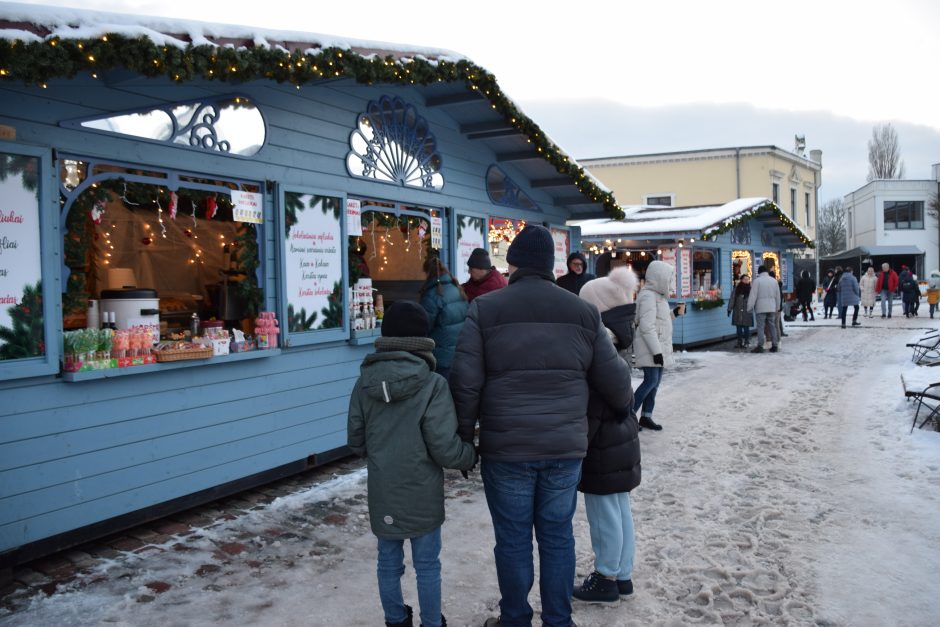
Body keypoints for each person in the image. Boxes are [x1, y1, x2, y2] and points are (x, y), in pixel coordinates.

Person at [449, 224, 632, 627]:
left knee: (513, 540)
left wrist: (463, 439)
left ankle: (515, 618)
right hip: (565, 448)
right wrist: (619, 409)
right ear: (551, 265)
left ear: (512, 263)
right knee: (557, 536)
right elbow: (617, 383)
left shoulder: (486, 308)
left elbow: (465, 382)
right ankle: (558, 620)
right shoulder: (582, 311)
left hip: (506, 447)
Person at [347, 300, 478, 627]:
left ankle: (395, 619)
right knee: (427, 565)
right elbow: (444, 447)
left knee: (388, 562)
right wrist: (470, 455)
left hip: (384, 488)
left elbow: (355, 439)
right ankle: (432, 622)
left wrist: (381, 454)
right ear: (423, 338)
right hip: (422, 491)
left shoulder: (364, 382)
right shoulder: (433, 384)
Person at [574, 266, 641, 605]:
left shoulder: (601, 343)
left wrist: (580, 441)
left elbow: (597, 401)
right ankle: (623, 575)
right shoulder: (619, 334)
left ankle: (606, 577)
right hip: (621, 435)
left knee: (603, 514)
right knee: (619, 508)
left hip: (603, 439)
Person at [633, 259, 683, 430]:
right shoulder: (647, 295)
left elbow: (661, 320)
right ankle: (629, 416)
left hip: (658, 347)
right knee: (650, 381)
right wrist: (656, 352)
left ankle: (646, 416)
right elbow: (647, 326)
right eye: (668, 279)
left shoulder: (659, 296)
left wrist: (674, 314)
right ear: (659, 277)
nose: (670, 282)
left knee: (655, 383)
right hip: (650, 347)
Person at [419, 256, 468, 381]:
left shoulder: (432, 295)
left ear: (428, 273)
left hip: (440, 356)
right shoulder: (457, 289)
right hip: (459, 354)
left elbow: (423, 326)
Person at [747, 265, 781, 353]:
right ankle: (775, 345)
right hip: (772, 307)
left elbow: (753, 295)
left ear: (759, 272)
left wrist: (749, 307)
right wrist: (777, 307)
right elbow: (778, 296)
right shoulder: (774, 281)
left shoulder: (757, 281)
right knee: (772, 326)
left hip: (760, 307)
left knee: (761, 327)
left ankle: (760, 346)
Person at [727, 274, 754, 348]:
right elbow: (732, 299)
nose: (747, 281)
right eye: (745, 279)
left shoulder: (751, 289)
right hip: (737, 311)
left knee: (746, 328)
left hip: (747, 311)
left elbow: (754, 300)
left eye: (748, 279)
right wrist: (729, 309)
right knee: (738, 328)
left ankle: (746, 342)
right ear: (741, 280)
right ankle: (739, 342)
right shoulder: (737, 289)